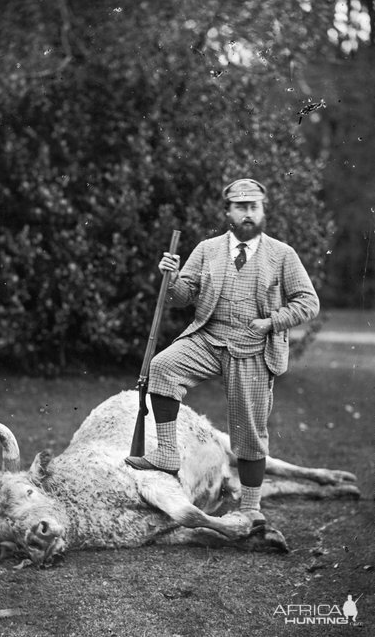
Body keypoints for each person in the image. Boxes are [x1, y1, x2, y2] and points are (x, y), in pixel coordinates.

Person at [125, 178, 320, 528]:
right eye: (240, 207)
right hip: (208, 338)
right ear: (228, 212)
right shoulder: (207, 249)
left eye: (254, 207)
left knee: (248, 429)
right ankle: (167, 454)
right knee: (164, 366)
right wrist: (170, 279)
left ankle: (250, 507)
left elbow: (308, 303)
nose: (248, 214)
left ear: (262, 211)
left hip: (254, 348)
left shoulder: (282, 255)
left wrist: (273, 322)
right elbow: (183, 297)